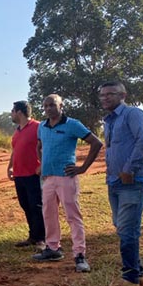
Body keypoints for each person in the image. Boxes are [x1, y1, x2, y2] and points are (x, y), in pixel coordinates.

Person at [33, 94, 103, 272]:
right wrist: (42, 164)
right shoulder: (42, 126)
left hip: (66, 177)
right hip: (48, 178)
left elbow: (96, 143)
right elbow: (39, 146)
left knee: (73, 216)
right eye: (46, 106)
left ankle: (80, 255)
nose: (48, 108)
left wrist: (82, 168)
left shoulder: (72, 124)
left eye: (52, 105)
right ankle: (52, 248)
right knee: (48, 213)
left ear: (61, 105)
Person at [99, 81, 143, 286]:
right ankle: (137, 274)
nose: (105, 98)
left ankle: (130, 277)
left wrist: (129, 169)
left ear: (123, 95)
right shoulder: (108, 121)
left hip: (133, 181)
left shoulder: (133, 114)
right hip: (114, 181)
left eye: (110, 94)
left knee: (127, 229)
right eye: (102, 95)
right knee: (122, 227)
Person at [7, 100, 45, 249]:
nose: (11, 113)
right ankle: (33, 236)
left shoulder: (38, 127)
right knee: (26, 205)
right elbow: (15, 150)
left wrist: (42, 165)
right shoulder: (17, 131)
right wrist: (10, 167)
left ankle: (42, 238)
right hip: (19, 174)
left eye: (12, 111)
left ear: (19, 112)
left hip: (33, 174)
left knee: (36, 206)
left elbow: (47, 146)